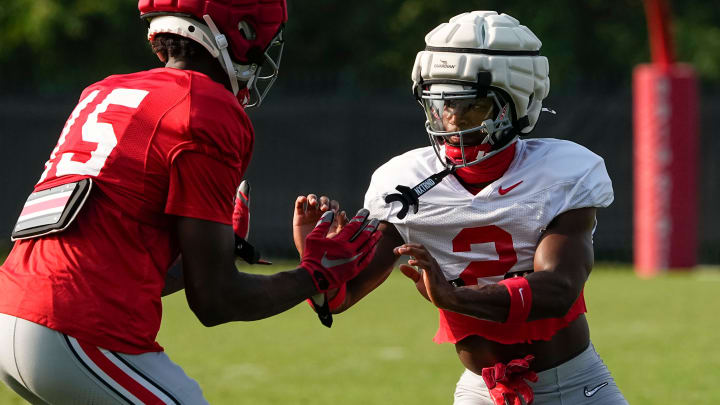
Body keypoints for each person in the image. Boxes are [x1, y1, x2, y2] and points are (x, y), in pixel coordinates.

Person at [0, 1, 380, 403]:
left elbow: (125, 272)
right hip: (76, 330)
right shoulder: (206, 106)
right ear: (239, 32)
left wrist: (217, 251)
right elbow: (215, 301)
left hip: (13, 311)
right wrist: (315, 275)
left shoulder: (104, 90)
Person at [294, 11, 628, 405]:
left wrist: (454, 299)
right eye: (441, 105)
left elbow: (559, 288)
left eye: (470, 105)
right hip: (481, 391)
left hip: (572, 387)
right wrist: (316, 267)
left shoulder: (562, 172)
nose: (451, 120)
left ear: (515, 104)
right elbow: (341, 298)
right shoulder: (403, 182)